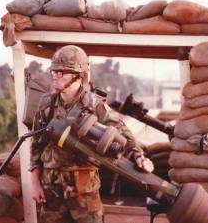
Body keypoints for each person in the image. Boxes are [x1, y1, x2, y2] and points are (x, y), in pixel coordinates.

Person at [30, 45, 154, 223]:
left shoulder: (94, 104)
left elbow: (122, 132)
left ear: (78, 76)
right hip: (52, 189)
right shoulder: (46, 103)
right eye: (54, 71)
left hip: (84, 190)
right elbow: (36, 145)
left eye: (62, 72)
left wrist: (139, 155)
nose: (56, 75)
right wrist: (35, 185)